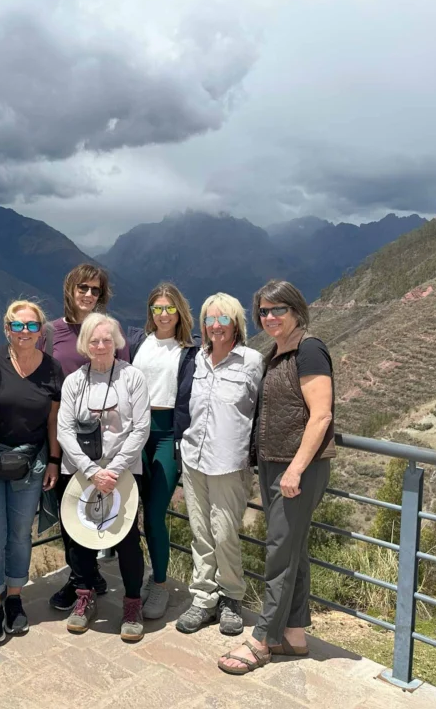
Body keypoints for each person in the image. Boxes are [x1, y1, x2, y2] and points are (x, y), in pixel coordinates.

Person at [218, 280, 335, 675]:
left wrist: (296, 469)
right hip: (274, 464)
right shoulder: (277, 352)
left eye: (277, 310)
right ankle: (295, 634)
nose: (269, 317)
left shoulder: (310, 349)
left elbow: (321, 415)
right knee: (293, 550)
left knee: (279, 553)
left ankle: (262, 639)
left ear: (296, 310)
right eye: (263, 312)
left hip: (296, 468)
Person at [56, 313, 151, 641]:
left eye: (106, 340)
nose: (100, 346)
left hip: (122, 472)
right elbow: (64, 430)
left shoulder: (132, 378)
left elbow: (141, 427)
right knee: (80, 536)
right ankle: (84, 596)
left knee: (126, 539)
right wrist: (93, 471)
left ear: (117, 342)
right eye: (94, 340)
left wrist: (115, 469)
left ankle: (132, 602)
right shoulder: (74, 382)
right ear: (85, 344)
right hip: (82, 472)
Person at [0, 300, 63, 644]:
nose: (25, 332)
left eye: (31, 326)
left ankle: (14, 597)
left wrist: (54, 460)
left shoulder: (53, 369)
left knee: (20, 535)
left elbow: (53, 419)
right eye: (18, 325)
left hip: (32, 463)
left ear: (41, 330)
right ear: (7, 328)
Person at [175, 293, 265, 637]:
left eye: (223, 319)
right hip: (194, 458)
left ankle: (231, 597)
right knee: (200, 531)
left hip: (230, 463)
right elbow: (184, 404)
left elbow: (262, 412)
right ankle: (203, 597)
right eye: (210, 320)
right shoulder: (194, 360)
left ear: (236, 323)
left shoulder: (253, 362)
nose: (216, 326)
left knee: (225, 533)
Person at [42, 263, 129, 610]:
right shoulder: (52, 332)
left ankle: (88, 579)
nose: (89, 294)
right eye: (83, 288)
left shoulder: (109, 330)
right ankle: (84, 579)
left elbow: (124, 379)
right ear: (70, 289)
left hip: (106, 441)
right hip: (65, 436)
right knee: (71, 511)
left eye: (95, 290)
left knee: (102, 508)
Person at [126, 283, 198, 619]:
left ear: (180, 311)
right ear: (150, 312)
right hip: (133, 433)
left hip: (168, 435)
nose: (164, 314)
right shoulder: (138, 342)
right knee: (126, 511)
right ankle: (132, 577)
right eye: (157, 308)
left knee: (154, 513)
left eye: (170, 308)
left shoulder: (190, 351)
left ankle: (159, 584)